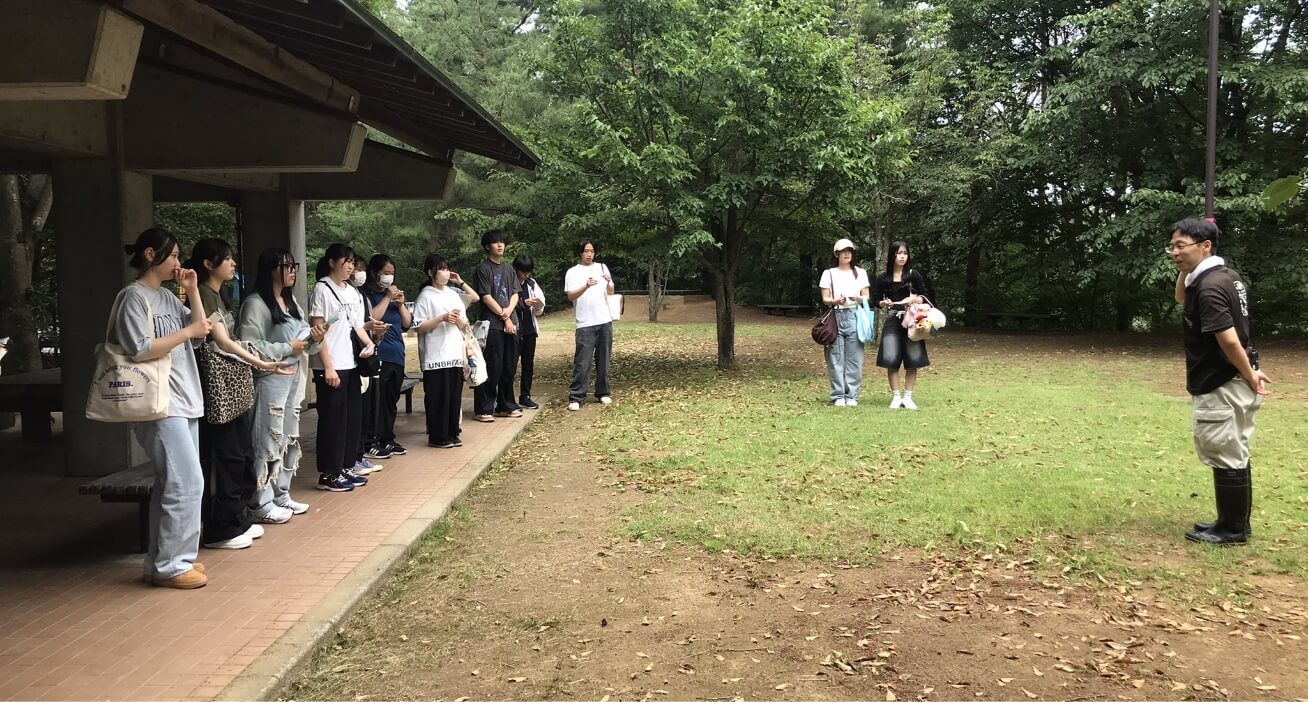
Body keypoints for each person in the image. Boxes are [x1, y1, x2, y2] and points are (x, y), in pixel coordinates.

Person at [112, 228, 211, 588]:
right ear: (151, 255)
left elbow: (199, 332)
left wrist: (194, 291)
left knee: (172, 483)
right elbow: (139, 348)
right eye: (173, 257)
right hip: (159, 404)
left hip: (184, 399)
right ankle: (173, 564)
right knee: (187, 482)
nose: (178, 263)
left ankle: (161, 561)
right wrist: (186, 333)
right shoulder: (134, 298)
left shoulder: (168, 297)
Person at [185, 239, 294, 548]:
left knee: (240, 452)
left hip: (231, 385)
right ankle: (221, 528)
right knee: (229, 455)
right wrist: (263, 362)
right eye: (227, 259)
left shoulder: (221, 295)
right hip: (217, 388)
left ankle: (236, 519)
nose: (233, 264)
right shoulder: (204, 295)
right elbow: (221, 341)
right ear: (208, 264)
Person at [1169, 218, 1270, 546]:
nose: (1175, 252)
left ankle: (1232, 530)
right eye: (1172, 247)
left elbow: (1227, 341)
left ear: (1206, 245)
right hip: (1230, 379)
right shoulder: (1224, 277)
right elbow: (1181, 298)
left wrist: (1248, 374)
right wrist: (1185, 266)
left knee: (1225, 450)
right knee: (1234, 450)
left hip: (1222, 381)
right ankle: (1234, 522)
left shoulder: (1211, 287)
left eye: (1181, 246)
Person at [239, 248, 325, 519]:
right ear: (270, 270)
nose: (292, 271)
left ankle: (281, 493)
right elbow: (248, 345)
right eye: (285, 266)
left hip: (293, 381)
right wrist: (288, 347)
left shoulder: (292, 303)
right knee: (266, 438)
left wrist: (316, 338)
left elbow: (304, 347)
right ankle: (259, 502)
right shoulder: (255, 304)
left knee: (288, 437)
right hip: (269, 380)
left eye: (294, 266)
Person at [309, 243, 376, 492]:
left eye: (352, 262)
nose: (350, 266)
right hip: (332, 364)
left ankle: (345, 465)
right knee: (332, 421)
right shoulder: (322, 289)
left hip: (351, 363)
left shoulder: (354, 293)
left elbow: (357, 327)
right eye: (346, 261)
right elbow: (319, 331)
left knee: (350, 419)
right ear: (332, 262)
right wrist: (328, 367)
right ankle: (329, 472)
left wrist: (369, 345)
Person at [412, 254, 470, 448]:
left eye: (446, 268)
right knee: (438, 395)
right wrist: (442, 318)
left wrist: (458, 320)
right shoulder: (425, 295)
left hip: (453, 351)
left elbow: (464, 322)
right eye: (441, 269)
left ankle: (453, 431)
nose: (445, 273)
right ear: (431, 273)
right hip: (435, 353)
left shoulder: (452, 294)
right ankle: (438, 435)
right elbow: (419, 325)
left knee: (453, 394)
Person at [361, 254, 412, 460]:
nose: (390, 278)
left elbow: (407, 323)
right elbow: (372, 317)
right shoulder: (367, 295)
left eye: (392, 274)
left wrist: (400, 304)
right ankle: (371, 440)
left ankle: (387, 438)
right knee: (376, 400)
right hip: (378, 354)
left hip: (396, 354)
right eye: (386, 273)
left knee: (391, 399)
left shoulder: (394, 296)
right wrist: (387, 298)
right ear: (374, 273)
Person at [873, 241, 933, 409]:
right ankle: (895, 396)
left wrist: (913, 299)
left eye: (905, 253)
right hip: (893, 317)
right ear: (892, 255)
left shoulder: (914, 275)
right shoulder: (883, 278)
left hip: (913, 319)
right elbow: (875, 300)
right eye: (899, 253)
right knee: (891, 357)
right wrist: (884, 303)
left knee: (913, 357)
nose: (902, 256)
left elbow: (926, 297)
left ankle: (908, 397)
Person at [472, 230, 522, 422]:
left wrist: (509, 311)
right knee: (493, 366)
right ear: (487, 246)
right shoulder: (483, 269)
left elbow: (515, 293)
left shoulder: (509, 269)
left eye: (502, 242)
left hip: (511, 323)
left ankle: (506, 405)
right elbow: (485, 297)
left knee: (509, 367)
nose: (500, 245)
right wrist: (504, 317)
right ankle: (484, 408)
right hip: (493, 325)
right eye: (495, 243)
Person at [564, 238, 615, 411]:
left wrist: (608, 281)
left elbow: (611, 291)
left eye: (592, 251)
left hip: (604, 320)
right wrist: (586, 286)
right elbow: (570, 296)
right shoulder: (573, 272)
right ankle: (577, 396)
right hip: (585, 322)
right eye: (586, 251)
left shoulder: (602, 267)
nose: (589, 254)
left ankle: (603, 392)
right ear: (580, 252)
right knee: (582, 361)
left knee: (604, 359)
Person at [819, 238, 870, 407]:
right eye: (843, 251)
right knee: (835, 358)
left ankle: (852, 395)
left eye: (849, 251)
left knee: (855, 359)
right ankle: (838, 395)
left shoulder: (860, 272)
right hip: (836, 316)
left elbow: (867, 296)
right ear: (837, 254)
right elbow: (825, 299)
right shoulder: (829, 273)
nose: (847, 254)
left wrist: (858, 298)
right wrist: (835, 301)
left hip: (855, 315)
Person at [349, 253, 385, 476]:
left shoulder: (360, 296)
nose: (357, 272)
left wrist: (374, 330)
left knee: (364, 410)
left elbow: (363, 324)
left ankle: (359, 455)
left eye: (359, 267)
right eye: (354, 266)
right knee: (353, 413)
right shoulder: (330, 292)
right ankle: (351, 459)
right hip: (351, 358)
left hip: (365, 355)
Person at [512, 255, 546, 410]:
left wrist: (537, 305)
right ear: (516, 270)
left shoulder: (531, 284)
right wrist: (522, 303)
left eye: (528, 272)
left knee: (528, 365)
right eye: (523, 272)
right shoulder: (510, 283)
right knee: (510, 366)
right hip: (513, 330)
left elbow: (540, 308)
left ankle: (525, 396)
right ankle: (507, 397)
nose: (526, 275)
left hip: (529, 330)